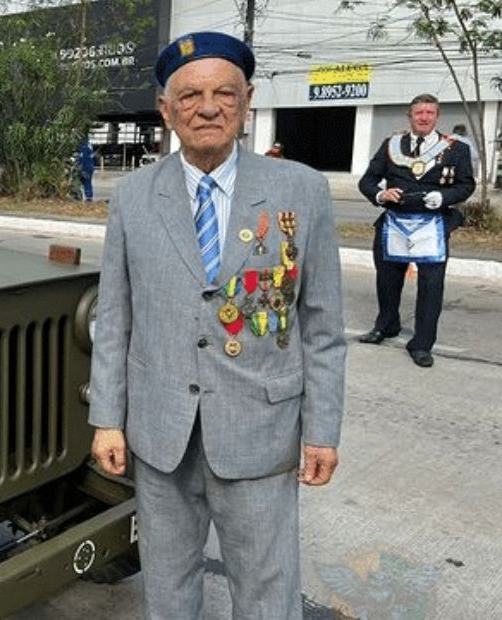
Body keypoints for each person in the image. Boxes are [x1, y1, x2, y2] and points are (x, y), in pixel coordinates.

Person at [89, 31, 346, 620]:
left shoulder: (301, 192)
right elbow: (115, 317)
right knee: (167, 585)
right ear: (165, 110)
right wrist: (107, 419)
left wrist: (323, 430)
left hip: (261, 431)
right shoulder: (132, 197)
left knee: (266, 591)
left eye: (224, 93)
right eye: (191, 96)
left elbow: (323, 326)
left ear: (248, 100)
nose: (208, 108)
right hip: (160, 436)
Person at [357, 95, 475, 367]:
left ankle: (422, 343)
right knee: (387, 281)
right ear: (409, 115)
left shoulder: (455, 149)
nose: (424, 117)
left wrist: (443, 198)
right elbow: (368, 180)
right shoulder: (391, 145)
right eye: (419, 112)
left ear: (437, 116)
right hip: (394, 223)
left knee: (431, 287)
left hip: (432, 224)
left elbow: (466, 185)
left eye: (429, 112)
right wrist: (380, 194)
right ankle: (387, 325)